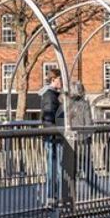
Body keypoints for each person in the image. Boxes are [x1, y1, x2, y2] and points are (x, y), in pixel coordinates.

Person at [39, 70, 65, 203]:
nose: (62, 81)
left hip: (55, 135)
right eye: (60, 78)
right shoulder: (50, 96)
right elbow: (48, 118)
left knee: (57, 166)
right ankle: (54, 196)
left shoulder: (54, 95)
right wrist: (59, 130)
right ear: (53, 79)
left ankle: (56, 195)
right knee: (54, 167)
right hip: (53, 137)